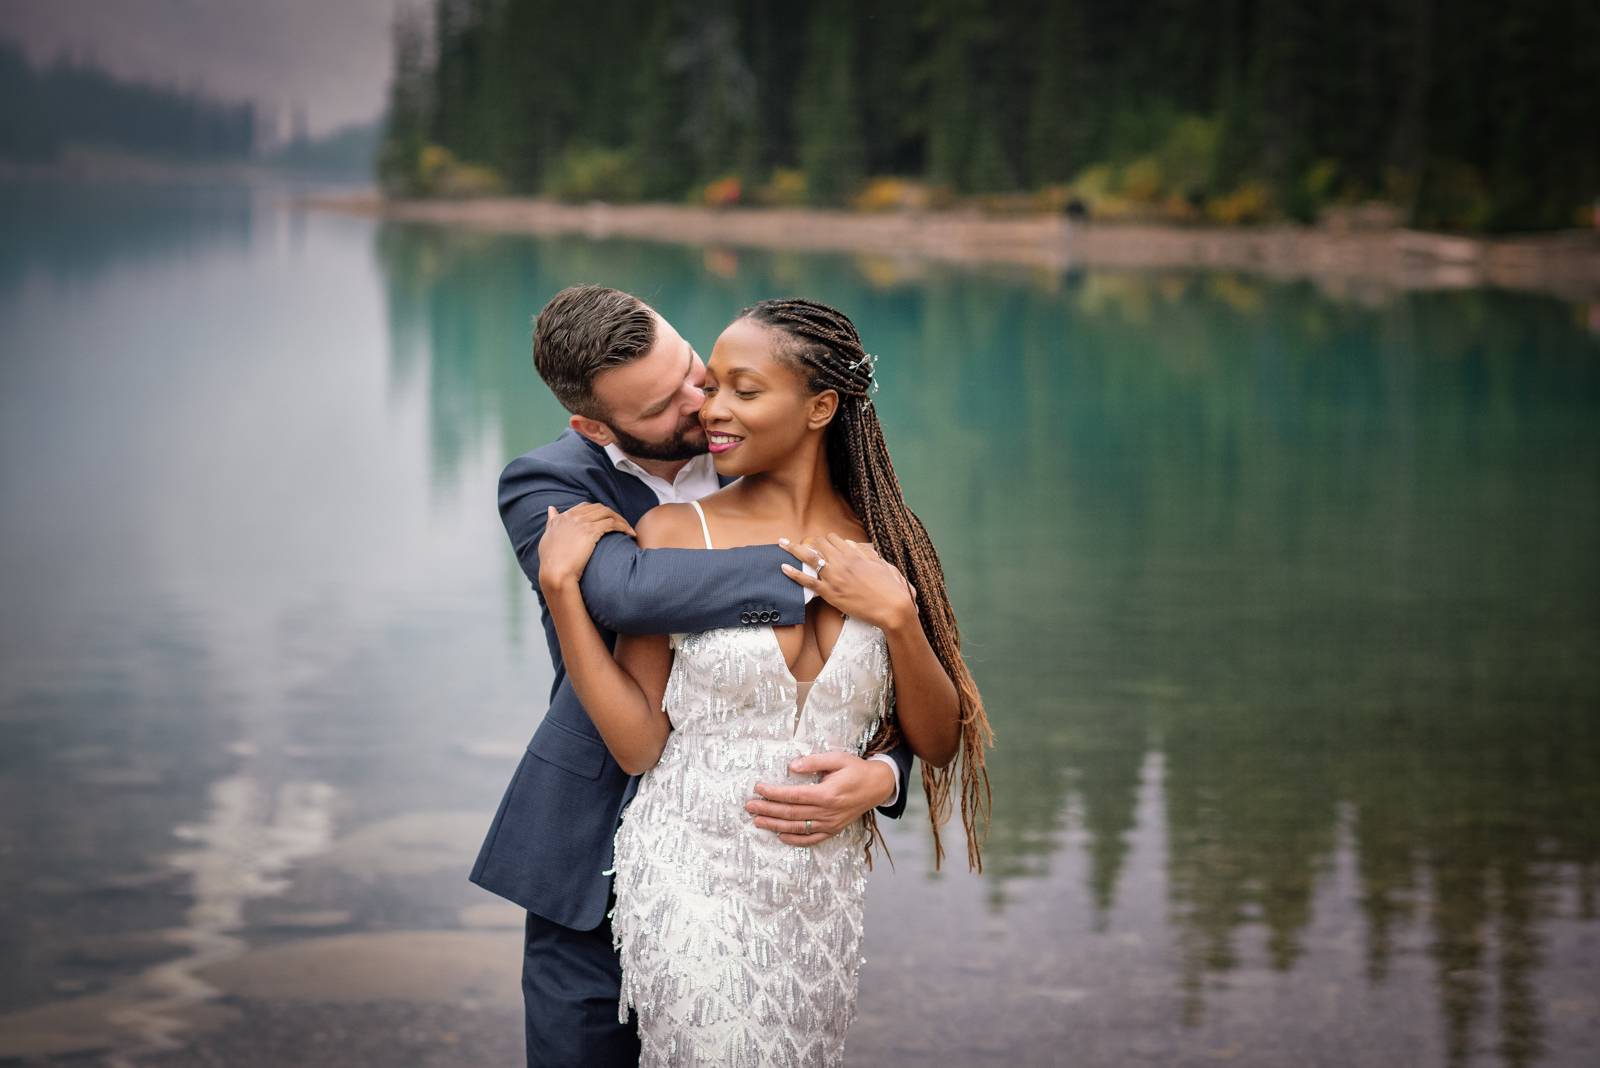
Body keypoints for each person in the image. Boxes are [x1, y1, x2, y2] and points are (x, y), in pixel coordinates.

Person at [470, 286, 918, 1066]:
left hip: (761, 867)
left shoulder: (769, 449)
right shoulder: (545, 483)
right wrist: (826, 567)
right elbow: (625, 592)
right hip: (589, 852)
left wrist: (885, 771)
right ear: (595, 426)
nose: (700, 403)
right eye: (662, 405)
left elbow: (888, 649)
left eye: (691, 370)